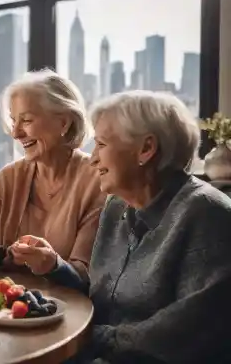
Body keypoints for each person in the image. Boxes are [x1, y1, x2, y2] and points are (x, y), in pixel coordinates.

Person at [50, 91, 231, 363]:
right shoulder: (115, 207)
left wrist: (85, 338)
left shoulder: (209, 214)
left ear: (146, 149)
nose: (92, 159)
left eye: (101, 144)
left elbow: (186, 333)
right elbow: (101, 294)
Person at [0, 69, 106, 283]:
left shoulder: (97, 180)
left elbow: (88, 280)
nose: (16, 133)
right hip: (6, 308)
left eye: (27, 120)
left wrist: (53, 266)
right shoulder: (8, 179)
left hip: (74, 311)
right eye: (14, 121)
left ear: (63, 123)